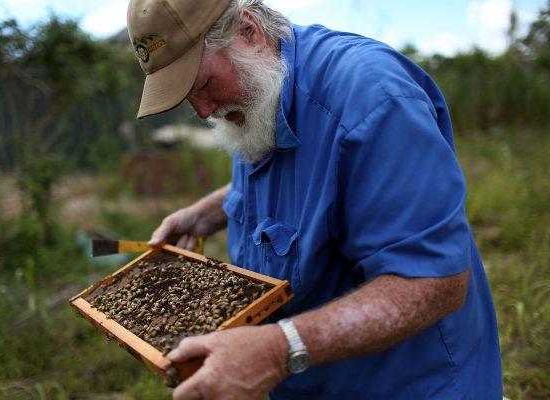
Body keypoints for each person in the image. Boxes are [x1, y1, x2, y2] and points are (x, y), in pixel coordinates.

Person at [126, 0, 503, 398]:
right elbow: (304, 180)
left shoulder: (374, 99)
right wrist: (207, 214)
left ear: (249, 31)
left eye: (202, 85)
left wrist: (277, 350)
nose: (205, 111)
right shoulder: (255, 92)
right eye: (187, 95)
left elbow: (435, 281)